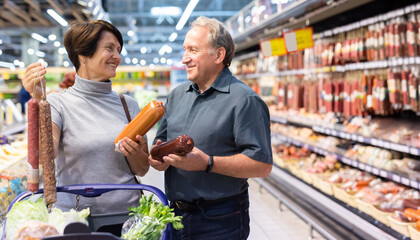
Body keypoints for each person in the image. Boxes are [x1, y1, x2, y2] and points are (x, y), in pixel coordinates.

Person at [148, 16, 273, 240]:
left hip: (219, 219)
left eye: (193, 50)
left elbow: (261, 165)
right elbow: (161, 148)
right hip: (174, 215)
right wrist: (155, 158)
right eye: (185, 50)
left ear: (219, 55)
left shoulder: (244, 100)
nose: (184, 58)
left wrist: (208, 163)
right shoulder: (177, 95)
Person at [21, 20, 149, 234]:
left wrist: (136, 153)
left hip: (126, 218)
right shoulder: (57, 103)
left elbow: (142, 169)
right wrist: (36, 102)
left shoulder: (129, 105)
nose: (117, 56)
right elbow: (45, 157)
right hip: (74, 218)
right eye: (109, 48)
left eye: (118, 49)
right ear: (83, 55)